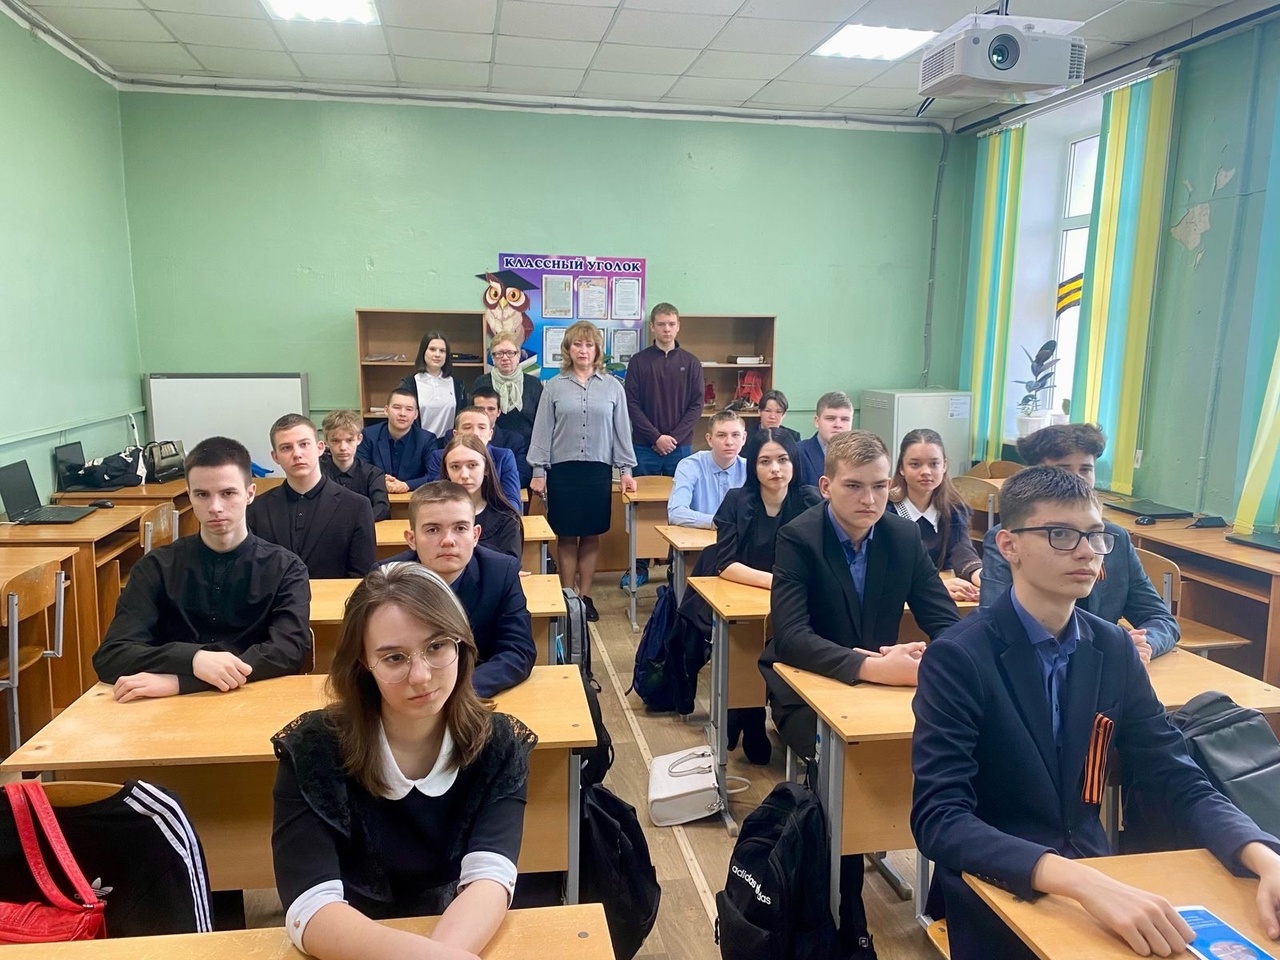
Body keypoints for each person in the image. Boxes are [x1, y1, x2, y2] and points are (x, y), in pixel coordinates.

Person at [911, 466, 1280, 960]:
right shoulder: (959, 656)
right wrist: (1079, 882)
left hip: (1098, 874)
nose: (1087, 551)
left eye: (1095, 535)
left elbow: (1176, 775)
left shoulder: (1112, 647)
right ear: (1009, 545)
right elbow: (939, 818)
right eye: (1060, 535)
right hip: (996, 883)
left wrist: (1261, 855)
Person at [759, 429, 959, 959]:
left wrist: (939, 662)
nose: (869, 499)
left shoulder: (902, 536)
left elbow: (945, 621)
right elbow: (792, 637)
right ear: (827, 486)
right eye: (854, 486)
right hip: (806, 688)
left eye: (879, 486)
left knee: (955, 763)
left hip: (880, 690)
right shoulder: (800, 536)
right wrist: (874, 667)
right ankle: (848, 924)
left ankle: (950, 908)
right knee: (838, 780)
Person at [271, 563, 537, 960]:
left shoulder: (497, 743)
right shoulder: (314, 748)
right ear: (363, 664)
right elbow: (311, 906)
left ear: (461, 646)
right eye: (395, 658)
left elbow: (489, 878)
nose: (421, 675)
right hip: (350, 946)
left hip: (458, 933)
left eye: (437, 647)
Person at [93, 436, 311, 702]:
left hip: (255, 701)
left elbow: (289, 652)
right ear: (189, 496)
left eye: (228, 493)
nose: (215, 507)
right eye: (202, 495)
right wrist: (193, 659)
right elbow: (112, 656)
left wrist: (181, 681)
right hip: (164, 710)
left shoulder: (286, 569)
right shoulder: (156, 567)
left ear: (250, 494)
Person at [979, 423, 1179, 662]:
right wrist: (1105, 648)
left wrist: (1143, 644)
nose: (1077, 479)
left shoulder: (1114, 539)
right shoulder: (1018, 538)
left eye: (1085, 469)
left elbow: (1161, 619)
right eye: (1063, 470)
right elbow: (995, 622)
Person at [711, 427, 821, 764]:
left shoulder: (809, 501)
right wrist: (779, 582)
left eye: (783, 460)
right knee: (746, 648)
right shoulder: (737, 500)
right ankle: (750, 714)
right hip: (744, 594)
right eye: (765, 461)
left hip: (796, 600)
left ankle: (771, 712)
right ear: (753, 466)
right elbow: (725, 564)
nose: (776, 469)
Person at [381, 482, 535, 697]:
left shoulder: (501, 572)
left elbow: (518, 650)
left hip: (474, 692)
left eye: (460, 528)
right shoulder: (385, 579)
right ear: (412, 539)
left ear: (475, 535)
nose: (448, 541)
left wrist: (455, 691)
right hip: (409, 692)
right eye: (433, 530)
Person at [528, 321, 637, 623]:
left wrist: (626, 470)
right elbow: (542, 430)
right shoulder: (554, 386)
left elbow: (621, 431)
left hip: (597, 471)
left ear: (597, 350)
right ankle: (567, 596)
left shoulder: (613, 387)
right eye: (577, 344)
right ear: (568, 348)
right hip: (563, 471)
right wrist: (538, 470)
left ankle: (585, 596)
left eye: (589, 345)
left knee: (590, 534)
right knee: (565, 534)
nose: (583, 350)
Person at [621, 303, 704, 589]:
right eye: (661, 324)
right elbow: (631, 404)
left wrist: (673, 438)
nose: (666, 329)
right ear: (652, 327)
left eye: (671, 324)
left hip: (680, 449)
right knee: (641, 509)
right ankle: (639, 566)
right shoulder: (639, 362)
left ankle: (674, 566)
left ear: (678, 326)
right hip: (645, 448)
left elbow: (696, 405)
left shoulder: (691, 362)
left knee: (680, 506)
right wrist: (656, 437)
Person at [248, 414, 376, 579]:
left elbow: (362, 576)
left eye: (304, 444)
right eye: (286, 448)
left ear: (320, 448)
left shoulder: (357, 506)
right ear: (275, 457)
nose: (297, 454)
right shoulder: (256, 509)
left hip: (336, 595)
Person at [888, 428, 982, 603]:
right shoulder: (885, 510)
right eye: (915, 464)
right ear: (901, 468)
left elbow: (961, 550)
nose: (926, 471)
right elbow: (886, 568)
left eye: (934, 464)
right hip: (896, 599)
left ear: (944, 466)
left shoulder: (954, 509)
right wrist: (936, 585)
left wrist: (982, 577)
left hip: (936, 600)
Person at [441, 434, 522, 561]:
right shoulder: (433, 514)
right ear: (447, 472)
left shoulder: (506, 516)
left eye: (472, 465)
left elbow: (510, 564)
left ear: (486, 469)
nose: (464, 475)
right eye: (455, 467)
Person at [426, 408, 521, 512]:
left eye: (482, 427)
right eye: (467, 427)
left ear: (490, 434)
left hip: (494, 515)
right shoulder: (439, 457)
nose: (475, 433)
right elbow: (436, 497)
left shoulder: (504, 456)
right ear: (455, 434)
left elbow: (512, 500)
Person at [667, 409, 747, 529]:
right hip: (697, 538)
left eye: (735, 435)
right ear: (709, 439)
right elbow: (675, 513)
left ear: (744, 438)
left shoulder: (751, 469)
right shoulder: (690, 466)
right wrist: (719, 523)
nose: (729, 442)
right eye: (721, 435)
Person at [471, 332, 543, 455]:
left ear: (518, 356)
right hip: (490, 449)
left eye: (510, 353)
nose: (505, 358)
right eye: (499, 353)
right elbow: (474, 417)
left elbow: (541, 422)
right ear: (493, 358)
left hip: (526, 451)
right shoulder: (482, 382)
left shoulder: (533, 384)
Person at [356, 388, 438, 493]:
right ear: (386, 410)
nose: (402, 413)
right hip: (376, 495)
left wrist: (407, 485)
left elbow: (434, 475)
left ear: (416, 414)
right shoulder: (368, 435)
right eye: (397, 407)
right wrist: (381, 482)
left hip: (412, 497)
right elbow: (360, 470)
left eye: (409, 409)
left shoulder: (427, 439)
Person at [320, 409, 390, 521]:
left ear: (359, 439)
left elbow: (382, 508)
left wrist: (354, 523)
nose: (343, 447)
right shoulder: (317, 473)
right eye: (335, 441)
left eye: (349, 440)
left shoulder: (373, 474)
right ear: (326, 441)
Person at [398, 330, 467, 439]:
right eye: (432, 349)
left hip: (449, 443)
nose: (437, 354)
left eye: (442, 351)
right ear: (423, 352)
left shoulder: (458, 385)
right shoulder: (409, 384)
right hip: (419, 444)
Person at [469, 386, 531, 496]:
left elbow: (522, 476)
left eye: (491, 409)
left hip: (500, 497)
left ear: (498, 412)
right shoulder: (454, 436)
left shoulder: (514, 440)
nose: (485, 413)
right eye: (480, 409)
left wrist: (485, 487)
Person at [798, 390, 853, 487]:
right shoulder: (797, 453)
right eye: (831, 418)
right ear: (817, 421)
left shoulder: (861, 456)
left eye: (845, 419)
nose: (838, 425)